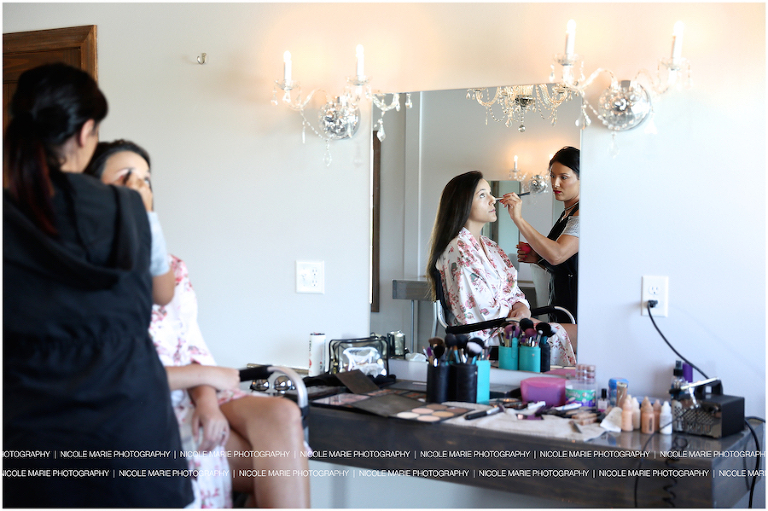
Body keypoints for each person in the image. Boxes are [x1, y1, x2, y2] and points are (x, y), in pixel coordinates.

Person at [3, 63, 193, 506]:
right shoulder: (131, 209)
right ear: (87, 132)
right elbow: (163, 294)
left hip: (33, 420)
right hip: (129, 413)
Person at [85, 139, 311, 508]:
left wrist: (206, 401)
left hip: (196, 393)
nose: (140, 186)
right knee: (277, 466)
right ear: (90, 190)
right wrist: (203, 378)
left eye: (146, 178)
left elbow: (192, 348)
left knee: (282, 413)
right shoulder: (83, 274)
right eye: (127, 176)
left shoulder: (172, 269)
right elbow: (108, 373)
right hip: (137, 403)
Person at [426, 171, 576, 366]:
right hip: (487, 336)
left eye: (490, 193)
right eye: (482, 195)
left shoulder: (491, 246)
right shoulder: (458, 250)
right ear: (462, 204)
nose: (493, 200)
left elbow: (513, 291)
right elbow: (480, 311)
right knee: (583, 335)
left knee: (583, 333)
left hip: (508, 326)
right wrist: (515, 312)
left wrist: (521, 306)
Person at [502, 146, 580, 323]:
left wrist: (518, 219)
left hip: (576, 311)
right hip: (561, 307)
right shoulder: (566, 214)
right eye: (552, 176)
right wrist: (539, 257)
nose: (555, 183)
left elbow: (557, 255)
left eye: (564, 177)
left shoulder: (582, 214)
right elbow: (567, 263)